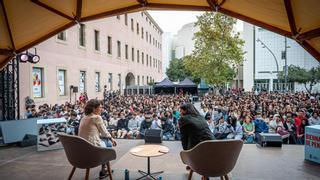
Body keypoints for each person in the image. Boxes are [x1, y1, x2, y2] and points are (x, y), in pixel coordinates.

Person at [78, 99, 117, 179]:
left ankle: (104, 169)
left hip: (81, 151)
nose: (101, 109)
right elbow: (104, 133)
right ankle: (104, 169)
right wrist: (112, 139)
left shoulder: (83, 118)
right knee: (109, 143)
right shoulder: (97, 117)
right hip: (93, 150)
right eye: (100, 107)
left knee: (106, 141)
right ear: (94, 109)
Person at [179, 103, 214, 171]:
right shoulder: (200, 117)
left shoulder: (183, 119)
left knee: (191, 143)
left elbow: (184, 138)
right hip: (213, 145)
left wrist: (187, 155)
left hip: (199, 149)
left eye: (181, 111)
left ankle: (194, 165)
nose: (180, 113)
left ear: (185, 111)